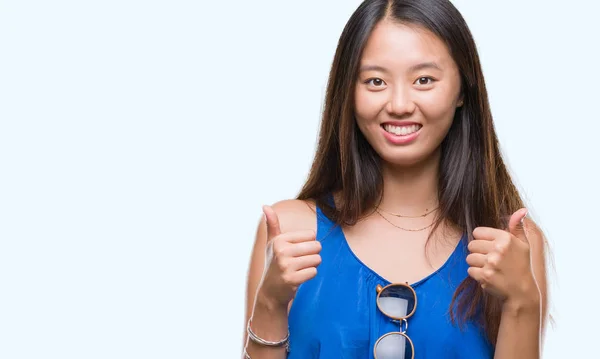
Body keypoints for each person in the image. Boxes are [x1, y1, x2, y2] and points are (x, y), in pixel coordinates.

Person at [243, 0, 548, 358]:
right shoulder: (290, 231)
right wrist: (269, 303)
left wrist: (522, 302)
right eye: (375, 81)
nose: (399, 104)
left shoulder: (512, 246)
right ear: (348, 92)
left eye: (424, 80)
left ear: (463, 90)